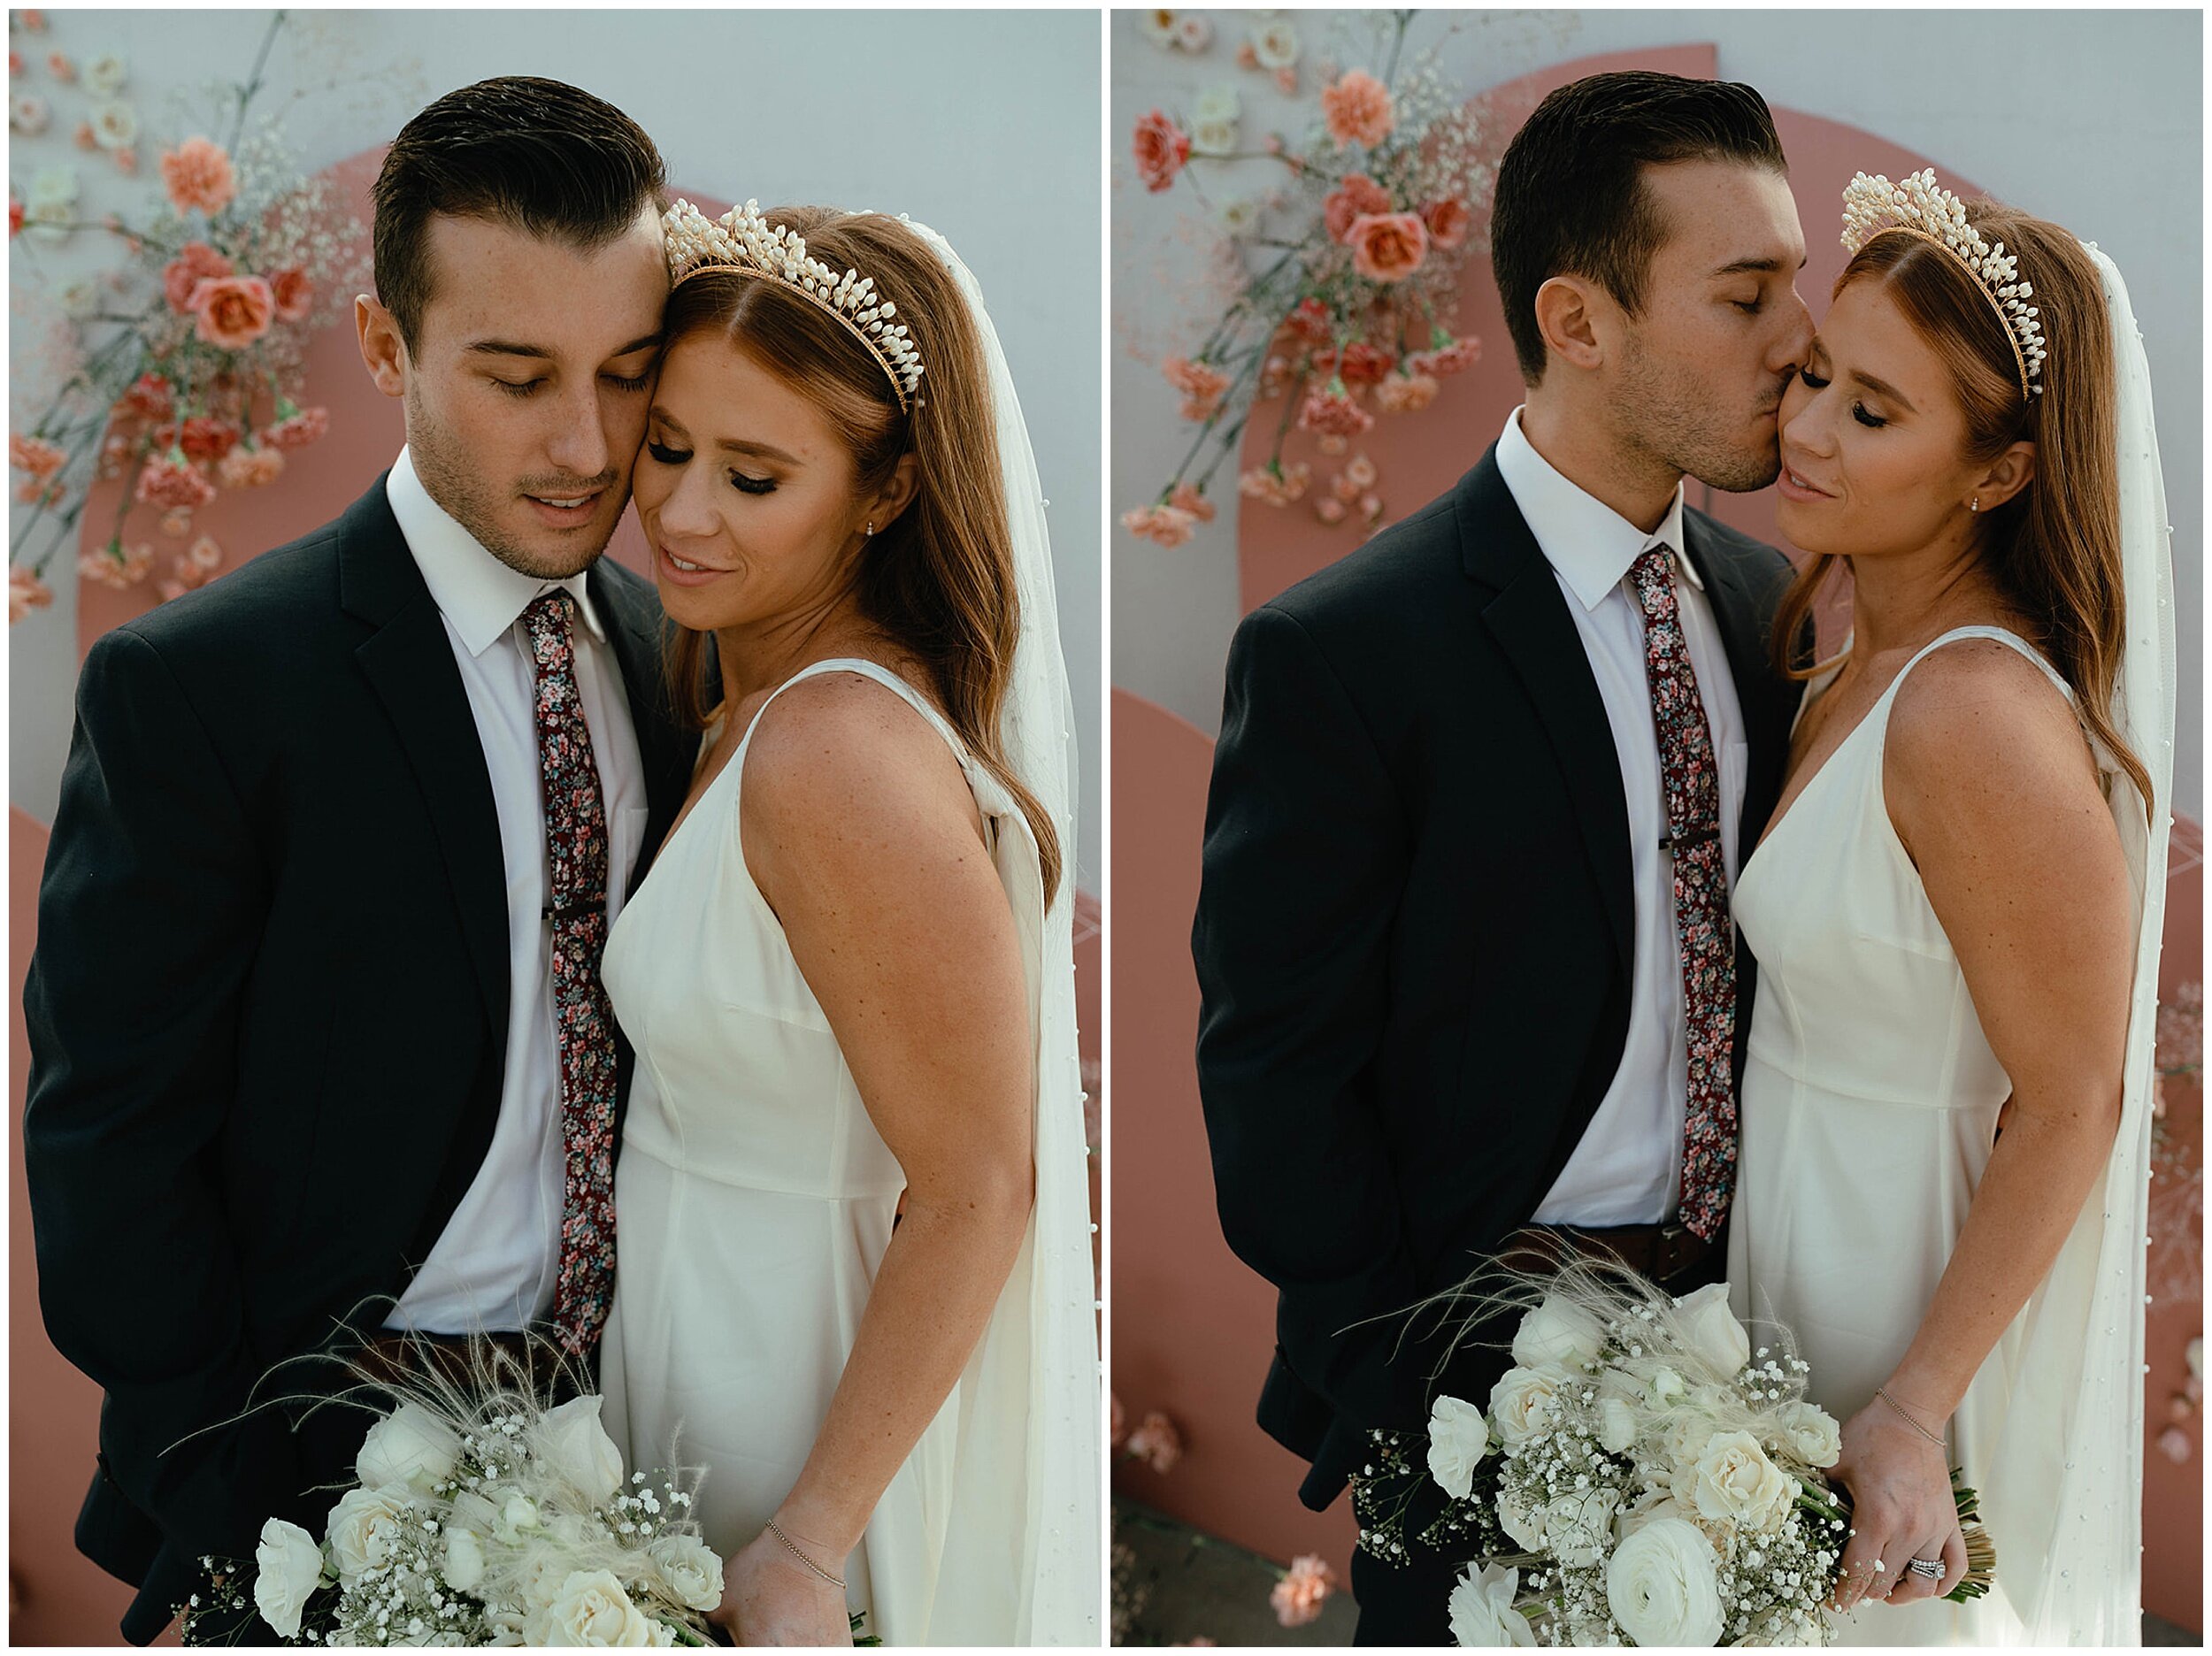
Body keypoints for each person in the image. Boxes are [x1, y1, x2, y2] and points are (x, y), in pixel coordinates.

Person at [21, 77, 693, 1643]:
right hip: (317, 1494)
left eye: (627, 372)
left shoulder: (675, 655)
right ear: (388, 349)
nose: (587, 444)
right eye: (517, 375)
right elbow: (109, 1152)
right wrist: (262, 1512)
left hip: (643, 1456)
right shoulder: (202, 688)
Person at [1192, 71, 1814, 1644]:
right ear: (1579, 320)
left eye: (1793, 288)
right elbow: (1275, 1070)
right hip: (1474, 1388)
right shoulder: (1345, 652)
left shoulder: (1777, 610)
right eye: (1746, 295)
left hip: (1760, 1365)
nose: (1798, 339)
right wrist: (1409, 1392)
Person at [595, 199, 1100, 1646]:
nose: (682, 514)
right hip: (692, 1334)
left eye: (754, 478)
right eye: (669, 447)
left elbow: (976, 1184)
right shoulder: (737, 694)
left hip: (791, 1375)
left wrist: (810, 1544)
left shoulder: (833, 755)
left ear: (881, 496)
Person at [1728, 169, 2174, 1644]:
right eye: (1814, 377)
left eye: (1871, 411)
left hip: (1904, 1280)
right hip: (1788, 1249)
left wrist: (1915, 1406)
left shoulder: (1970, 712)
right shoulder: (1847, 643)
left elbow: (2073, 1098)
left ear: (1996, 474)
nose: (1802, 430)